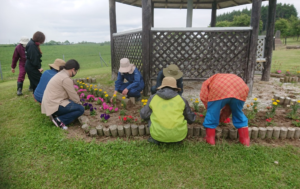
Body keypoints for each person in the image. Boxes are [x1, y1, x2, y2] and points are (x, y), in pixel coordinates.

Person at [140, 77, 195, 144]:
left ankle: (157, 138)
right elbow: (190, 118)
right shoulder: (181, 99)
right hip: (178, 137)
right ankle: (174, 137)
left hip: (157, 136)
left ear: (162, 86)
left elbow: (144, 114)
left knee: (150, 115)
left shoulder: (153, 98)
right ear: (175, 88)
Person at [200, 73, 250, 146]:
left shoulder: (207, 82)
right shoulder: (224, 77)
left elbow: (203, 97)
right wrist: (222, 117)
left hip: (219, 89)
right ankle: (245, 141)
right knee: (238, 112)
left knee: (212, 114)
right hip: (240, 88)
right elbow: (228, 107)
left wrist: (208, 107)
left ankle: (210, 140)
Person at [41, 59, 84, 130]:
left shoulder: (61, 74)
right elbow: (73, 96)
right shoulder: (66, 78)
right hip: (53, 104)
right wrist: (80, 104)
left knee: (73, 104)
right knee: (80, 109)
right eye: (76, 71)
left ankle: (56, 114)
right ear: (73, 69)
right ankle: (60, 120)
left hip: (49, 103)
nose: (76, 73)